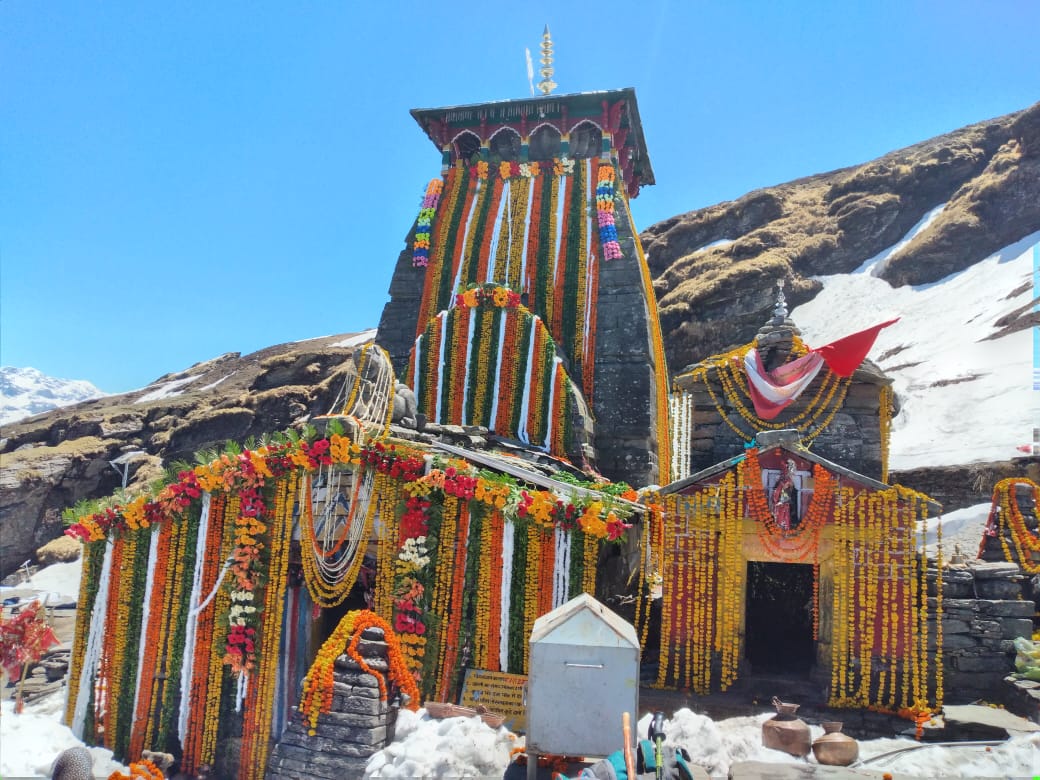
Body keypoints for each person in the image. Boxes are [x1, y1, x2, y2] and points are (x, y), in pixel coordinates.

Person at [771, 458, 799, 530]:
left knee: (783, 516)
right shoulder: (783, 480)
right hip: (780, 502)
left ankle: (783, 528)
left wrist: (780, 501)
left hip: (783, 503)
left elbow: (786, 492)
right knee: (780, 516)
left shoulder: (787, 481)